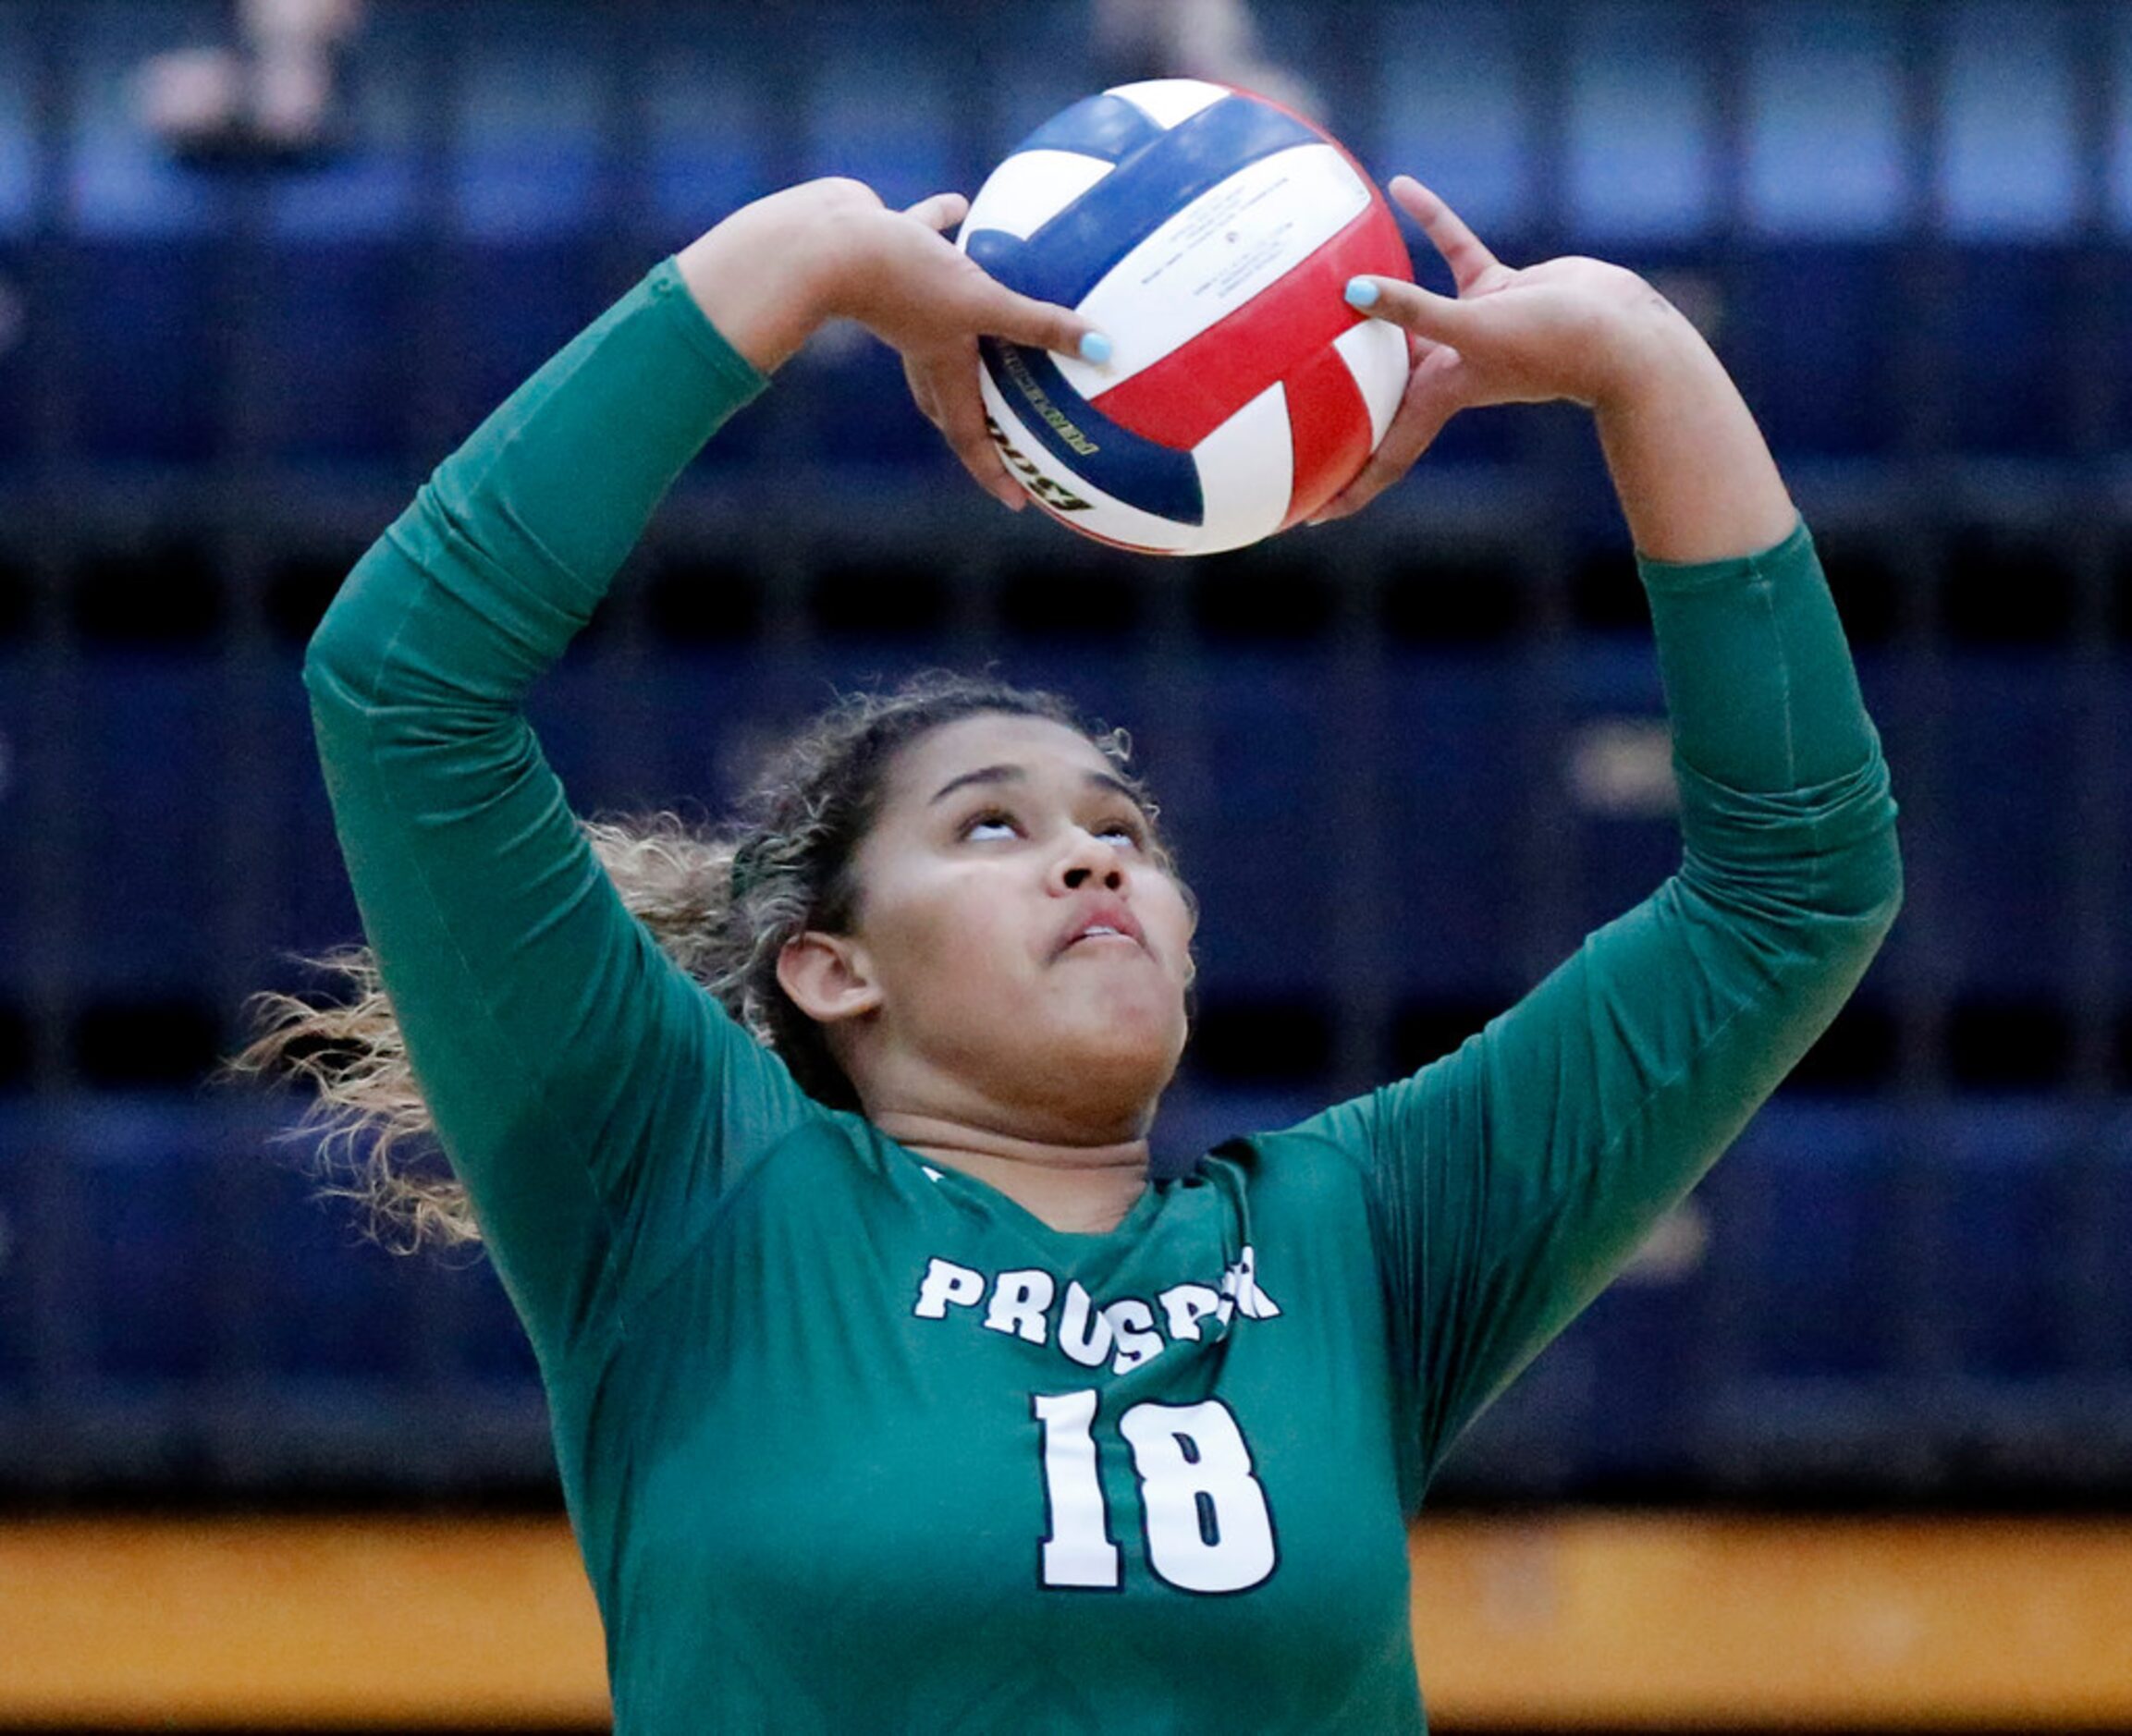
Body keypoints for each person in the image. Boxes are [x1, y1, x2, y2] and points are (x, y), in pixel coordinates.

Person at [244, 172, 1900, 1730]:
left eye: (1127, 828)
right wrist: (811, 252)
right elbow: (403, 687)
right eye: (990, 825)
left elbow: (1794, 885)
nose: (1095, 851)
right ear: (834, 966)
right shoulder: (690, 1195)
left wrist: (1642, 363)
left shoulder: (1360, 1241)